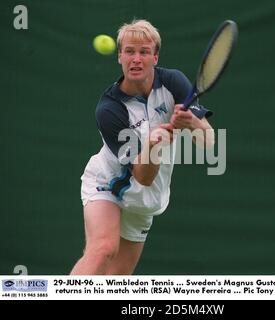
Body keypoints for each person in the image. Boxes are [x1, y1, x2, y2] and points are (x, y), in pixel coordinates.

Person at [70, 19, 214, 275]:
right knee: (103, 249)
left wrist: (191, 121)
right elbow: (143, 176)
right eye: (129, 51)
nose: (136, 59)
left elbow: (209, 141)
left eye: (144, 52)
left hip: (145, 202)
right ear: (120, 57)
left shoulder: (174, 82)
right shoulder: (109, 109)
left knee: (118, 280)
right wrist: (152, 145)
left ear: (155, 58)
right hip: (108, 184)